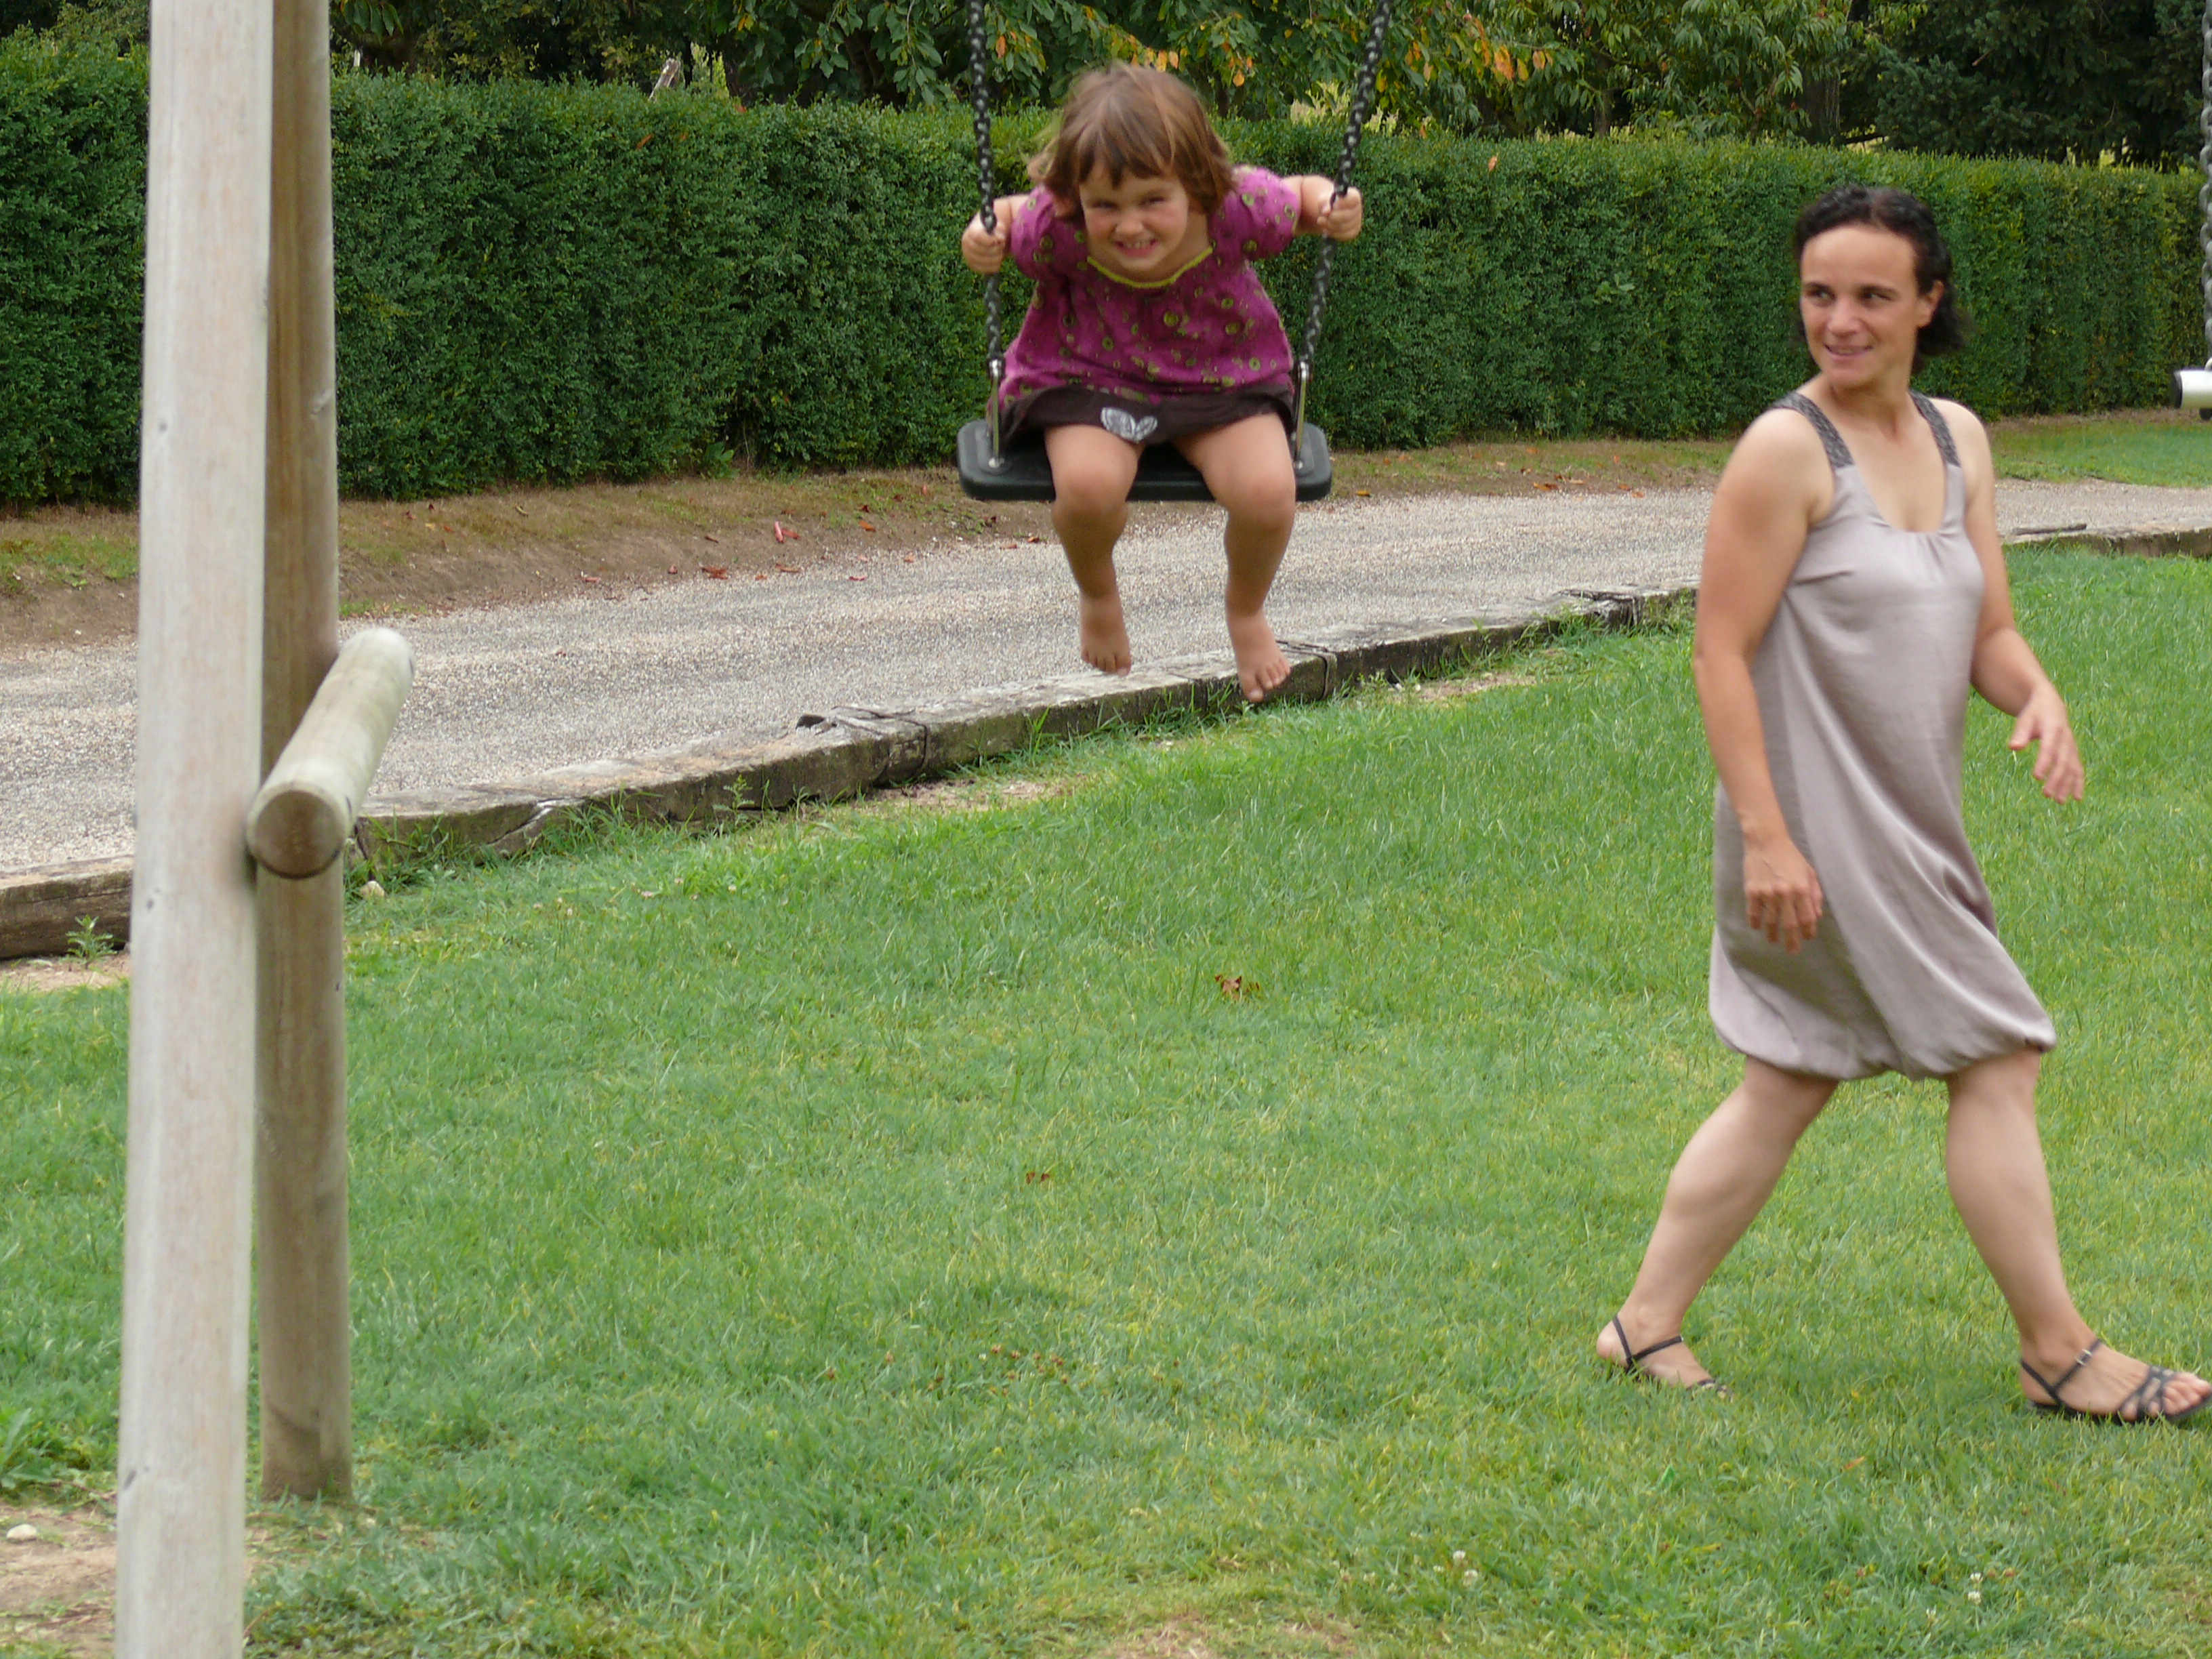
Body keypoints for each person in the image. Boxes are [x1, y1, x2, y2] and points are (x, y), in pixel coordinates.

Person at [1596, 184, 2209, 1423]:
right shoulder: (1784, 451)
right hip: (1813, 831)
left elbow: (1987, 629)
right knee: (1998, 1052)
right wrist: (1766, 838)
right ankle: (2059, 1352)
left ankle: (1641, 1325)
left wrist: (2037, 694)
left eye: (1872, 295)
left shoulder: (1957, 439)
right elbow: (1719, 653)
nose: (1840, 320)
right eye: (1818, 294)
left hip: (1908, 821)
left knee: (1789, 1074)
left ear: (1928, 302)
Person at [960, 62, 1364, 703]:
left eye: (1153, 200)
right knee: (1088, 486)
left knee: (1268, 493)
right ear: (1076, 196)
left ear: (1198, 186)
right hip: (1090, 378)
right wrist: (984, 235)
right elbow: (1007, 215)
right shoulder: (1062, 225)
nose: (1129, 225)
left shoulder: (1235, 209)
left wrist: (1333, 207)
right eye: (1105, 205)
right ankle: (1098, 594)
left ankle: (1247, 611)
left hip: (1223, 381)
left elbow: (1306, 197)